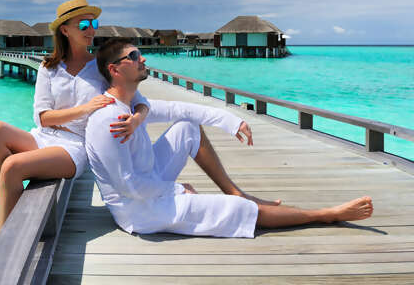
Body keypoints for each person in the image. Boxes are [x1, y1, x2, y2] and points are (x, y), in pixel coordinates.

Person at [0, 0, 276, 232]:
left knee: (12, 167)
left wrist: (137, 119)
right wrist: (84, 109)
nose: (91, 29)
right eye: (83, 24)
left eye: (94, 23)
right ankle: (14, 214)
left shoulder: (100, 68)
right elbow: (42, 118)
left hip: (73, 146)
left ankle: (3, 239)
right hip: (44, 137)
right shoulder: (49, 67)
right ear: (65, 30)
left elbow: (142, 103)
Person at [86, 38, 373, 237]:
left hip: (149, 183)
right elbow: (128, 187)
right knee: (242, 211)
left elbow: (180, 109)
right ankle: (326, 214)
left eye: (140, 53)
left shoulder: (133, 104)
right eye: (133, 56)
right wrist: (176, 189)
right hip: (140, 211)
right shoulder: (110, 120)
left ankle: (234, 190)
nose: (143, 59)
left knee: (187, 125)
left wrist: (231, 121)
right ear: (115, 69)